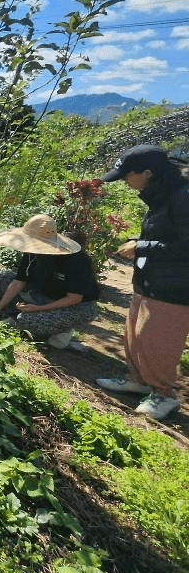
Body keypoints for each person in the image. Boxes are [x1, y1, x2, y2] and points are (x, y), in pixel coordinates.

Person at [95, 145, 189, 419]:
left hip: (175, 287)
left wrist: (142, 246)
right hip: (151, 280)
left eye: (127, 175)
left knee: (159, 340)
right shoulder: (161, 194)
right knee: (135, 334)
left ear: (147, 173)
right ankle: (137, 381)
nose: (124, 180)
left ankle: (164, 395)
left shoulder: (183, 197)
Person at [0, 214, 99, 349]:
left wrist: (39, 309)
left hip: (76, 306)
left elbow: (74, 298)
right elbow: (19, 281)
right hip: (42, 294)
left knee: (26, 319)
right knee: (4, 277)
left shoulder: (76, 260)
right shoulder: (32, 251)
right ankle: (33, 316)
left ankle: (62, 329)